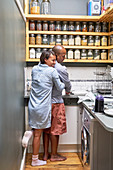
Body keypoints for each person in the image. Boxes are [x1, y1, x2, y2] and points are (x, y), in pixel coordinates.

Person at [22, 50, 65, 166]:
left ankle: (31, 132)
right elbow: (60, 87)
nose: (54, 62)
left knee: (38, 130)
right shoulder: (52, 71)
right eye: (53, 60)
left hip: (33, 105)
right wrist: (64, 83)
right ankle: (35, 160)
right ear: (45, 60)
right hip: (43, 107)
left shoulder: (35, 69)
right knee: (38, 134)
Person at [43, 45, 72, 162]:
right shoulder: (60, 69)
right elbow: (67, 84)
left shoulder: (45, 66)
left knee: (46, 129)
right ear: (55, 55)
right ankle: (54, 155)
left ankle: (45, 154)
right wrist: (68, 90)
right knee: (56, 130)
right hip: (56, 103)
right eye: (62, 55)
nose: (64, 57)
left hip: (45, 102)